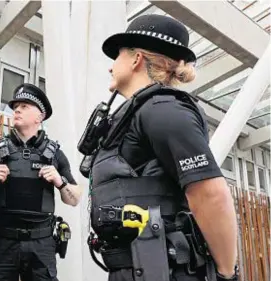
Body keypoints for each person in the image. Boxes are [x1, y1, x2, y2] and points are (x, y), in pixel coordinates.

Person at [82, 14, 239, 281]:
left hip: (164, 271)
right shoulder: (137, 113)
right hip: (135, 268)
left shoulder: (163, 108)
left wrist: (226, 275)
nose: (111, 67)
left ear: (136, 59)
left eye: (117, 56)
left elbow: (210, 194)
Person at [0, 83, 83, 281]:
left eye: (25, 106)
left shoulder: (56, 155)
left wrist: (59, 182)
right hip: (3, 242)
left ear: (40, 116)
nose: (17, 109)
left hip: (41, 244)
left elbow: (75, 198)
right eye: (15, 106)